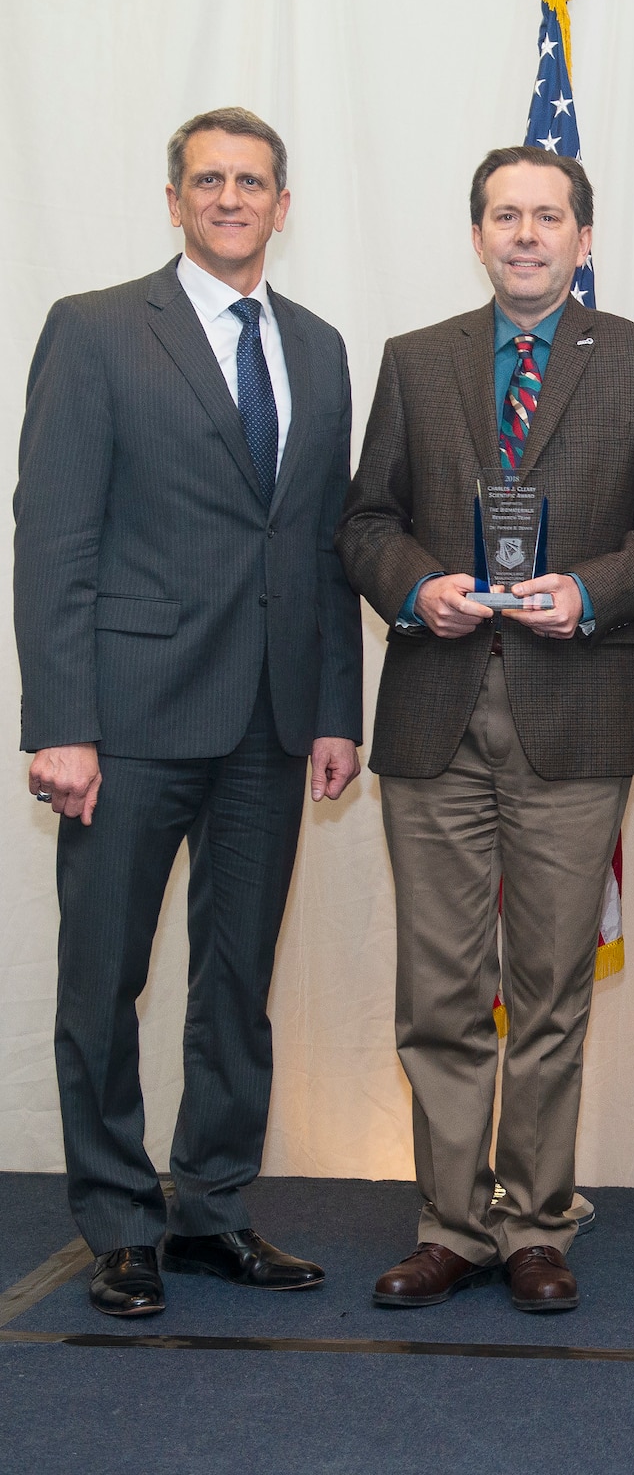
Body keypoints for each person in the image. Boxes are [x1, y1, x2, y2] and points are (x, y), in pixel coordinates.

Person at [337, 147, 634, 1314]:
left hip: (575, 704)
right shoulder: (415, 360)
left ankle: (537, 1224)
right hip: (434, 707)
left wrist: (589, 588)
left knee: (548, 991)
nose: (526, 234)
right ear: (479, 234)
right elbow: (364, 521)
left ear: (582, 238)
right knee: (440, 994)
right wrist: (414, 586)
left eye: (548, 216)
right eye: (505, 215)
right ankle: (451, 1227)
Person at [15, 107, 363, 1318]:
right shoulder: (98, 329)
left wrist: (335, 709)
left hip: (272, 727)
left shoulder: (318, 347)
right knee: (101, 982)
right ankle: (118, 1223)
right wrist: (59, 720)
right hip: (127, 722)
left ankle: (212, 1205)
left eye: (251, 181)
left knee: (234, 984)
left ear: (283, 202)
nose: (230, 197)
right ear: (173, 200)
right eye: (207, 180)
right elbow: (51, 535)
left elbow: (322, 545)